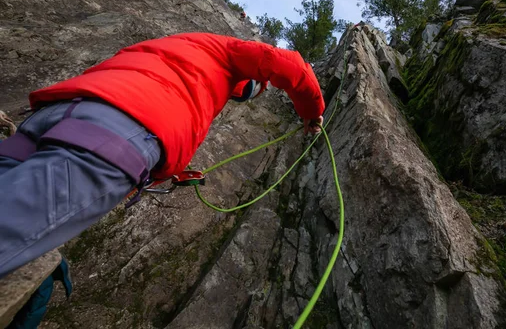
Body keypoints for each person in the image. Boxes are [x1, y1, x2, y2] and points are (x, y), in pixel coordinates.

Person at [0, 32, 325, 278]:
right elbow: (288, 65)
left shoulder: (176, 44)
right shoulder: (228, 50)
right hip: (117, 131)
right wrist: (312, 112)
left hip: (55, 113)